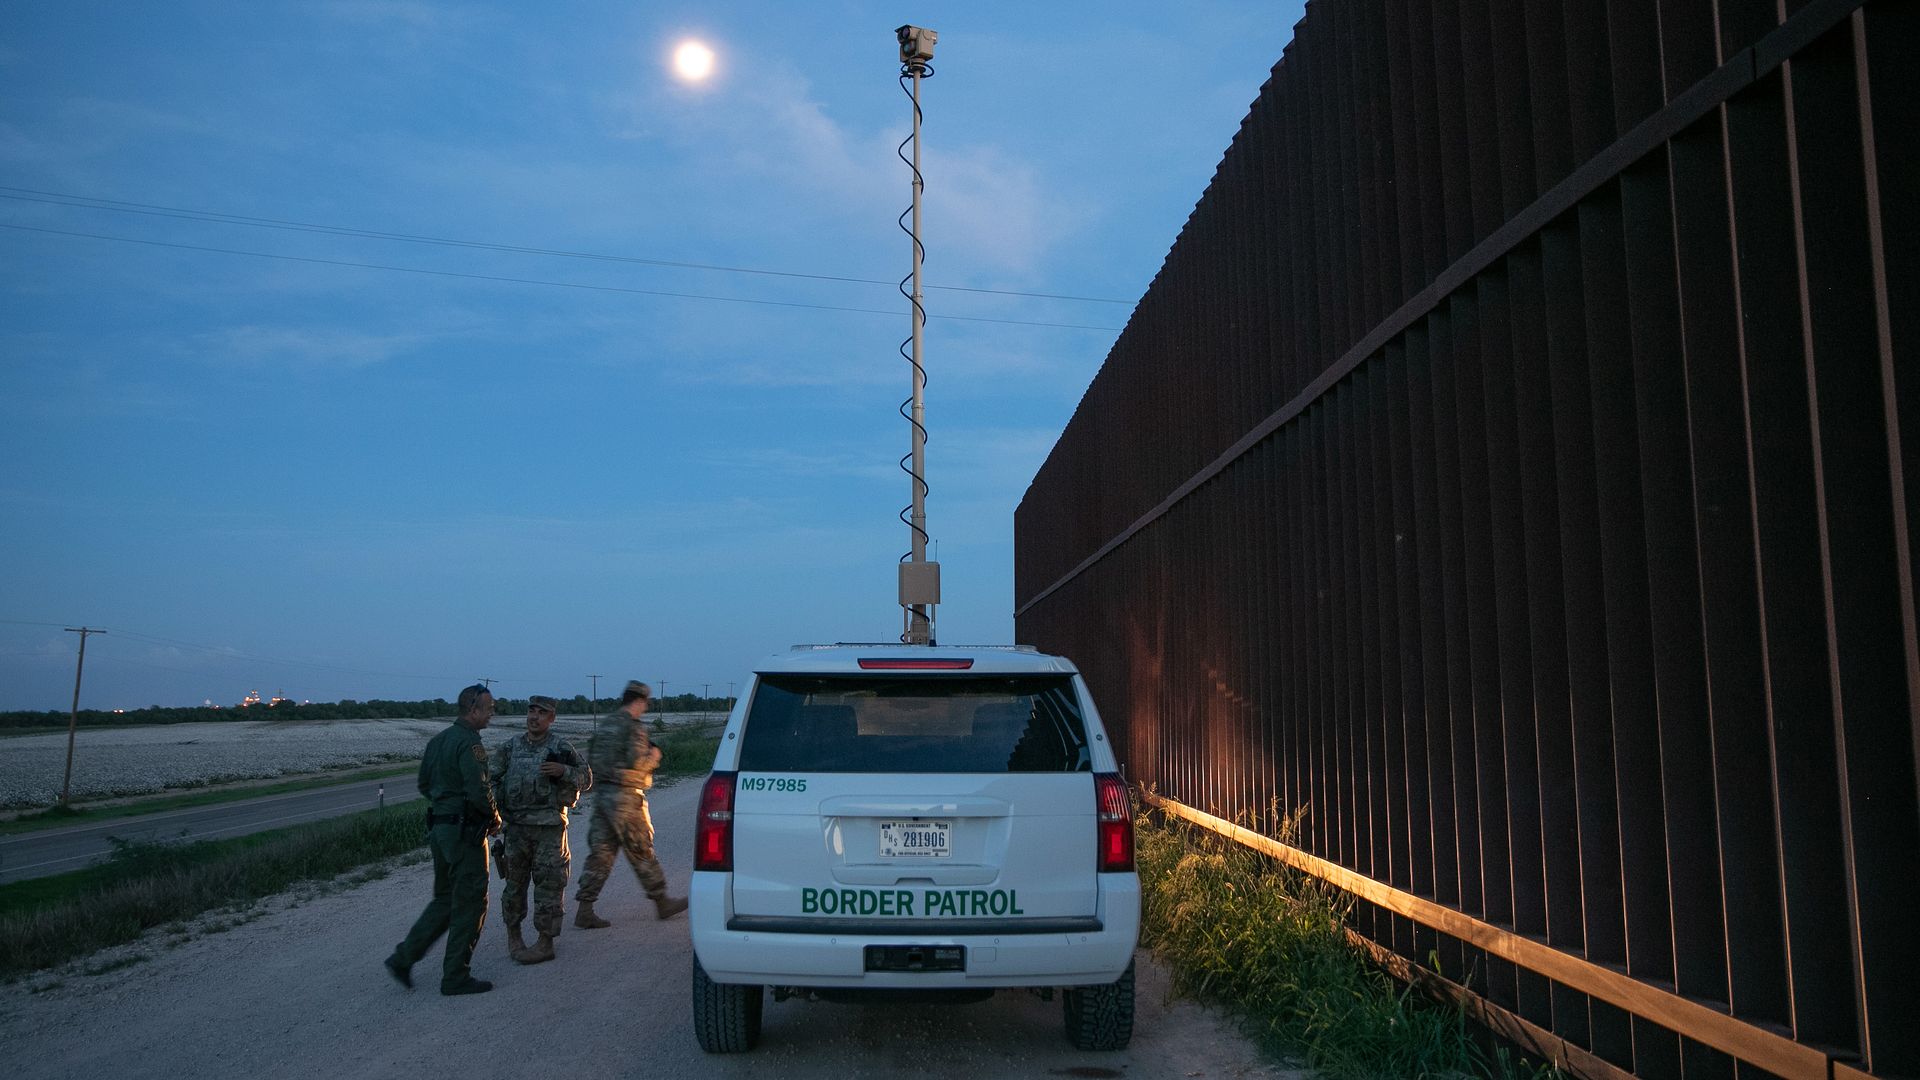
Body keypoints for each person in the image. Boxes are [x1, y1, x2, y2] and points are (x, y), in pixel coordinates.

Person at [384, 683, 503, 996]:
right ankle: (455, 976)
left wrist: (446, 805)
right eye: (489, 708)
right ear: (473, 709)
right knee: (471, 901)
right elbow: (479, 790)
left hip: (440, 830)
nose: (492, 713)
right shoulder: (469, 743)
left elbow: (424, 784)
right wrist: (494, 818)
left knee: (446, 898)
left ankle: (403, 958)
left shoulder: (438, 741)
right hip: (465, 834)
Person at [574, 680, 687, 925]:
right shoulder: (632, 727)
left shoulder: (606, 725)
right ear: (639, 701)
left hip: (603, 797)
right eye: (645, 703)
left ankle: (585, 908)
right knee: (641, 850)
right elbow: (637, 763)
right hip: (625, 798)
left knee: (601, 852)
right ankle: (662, 901)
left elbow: (594, 760)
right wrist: (653, 757)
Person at [488, 694, 591, 964]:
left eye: (541, 713)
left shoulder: (561, 748)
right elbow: (491, 781)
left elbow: (586, 779)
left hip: (549, 831)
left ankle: (545, 942)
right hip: (517, 831)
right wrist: (495, 816)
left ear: (551, 718)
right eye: (531, 711)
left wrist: (563, 771)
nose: (534, 717)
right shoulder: (510, 748)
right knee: (514, 886)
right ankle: (514, 936)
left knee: (549, 886)